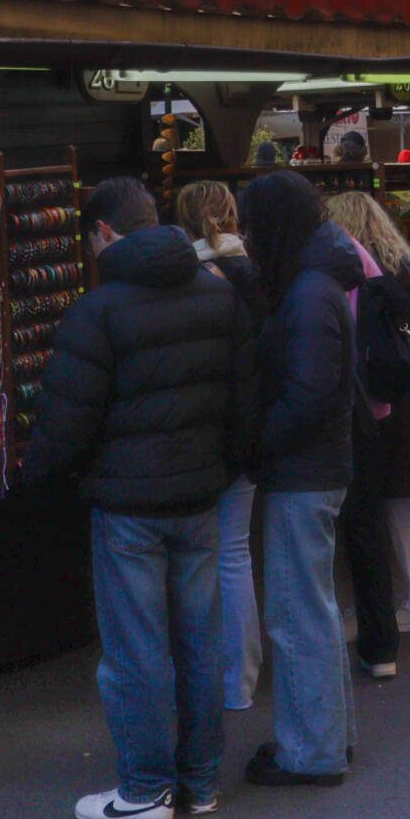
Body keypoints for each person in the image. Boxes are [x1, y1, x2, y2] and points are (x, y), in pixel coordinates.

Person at [24, 178, 253, 819]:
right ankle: (200, 780)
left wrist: (34, 478)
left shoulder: (98, 311)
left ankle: (147, 790)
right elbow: (244, 405)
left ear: (101, 234)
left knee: (137, 649)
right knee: (199, 641)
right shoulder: (219, 295)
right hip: (198, 497)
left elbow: (65, 423)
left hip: (128, 505)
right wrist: (220, 468)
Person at [236, 171, 362, 786]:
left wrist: (257, 446)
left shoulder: (310, 292)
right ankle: (326, 736)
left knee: (295, 614)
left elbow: (308, 395)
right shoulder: (317, 279)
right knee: (313, 608)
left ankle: (311, 751)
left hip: (303, 471)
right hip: (315, 466)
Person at [325, 192, 410, 659]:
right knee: (402, 502)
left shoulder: (356, 277)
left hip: (381, 399)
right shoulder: (408, 268)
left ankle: (401, 608)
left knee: (373, 508)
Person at [179, 180, 269, 713]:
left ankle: (213, 679)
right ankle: (241, 680)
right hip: (249, 427)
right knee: (234, 553)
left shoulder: (187, 277)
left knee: (201, 558)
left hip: (202, 429)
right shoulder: (256, 273)